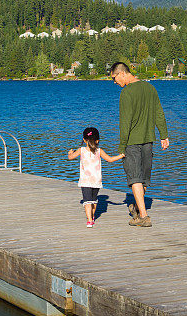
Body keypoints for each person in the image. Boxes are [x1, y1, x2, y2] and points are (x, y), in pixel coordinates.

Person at [110, 61, 169, 227]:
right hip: (148, 140)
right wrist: (164, 135)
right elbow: (159, 112)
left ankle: (143, 216)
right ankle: (136, 207)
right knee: (143, 179)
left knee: (135, 178)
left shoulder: (126, 93)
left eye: (114, 78)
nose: (115, 82)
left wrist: (121, 148)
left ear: (122, 73)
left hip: (132, 143)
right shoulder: (150, 88)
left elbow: (125, 123)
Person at [67, 127, 124, 227]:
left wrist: (70, 153)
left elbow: (70, 158)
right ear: (98, 140)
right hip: (96, 180)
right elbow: (110, 159)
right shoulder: (99, 151)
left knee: (87, 201)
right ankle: (92, 217)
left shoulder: (81, 150)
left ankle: (89, 220)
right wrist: (121, 155)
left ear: (84, 140)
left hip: (85, 181)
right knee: (93, 200)